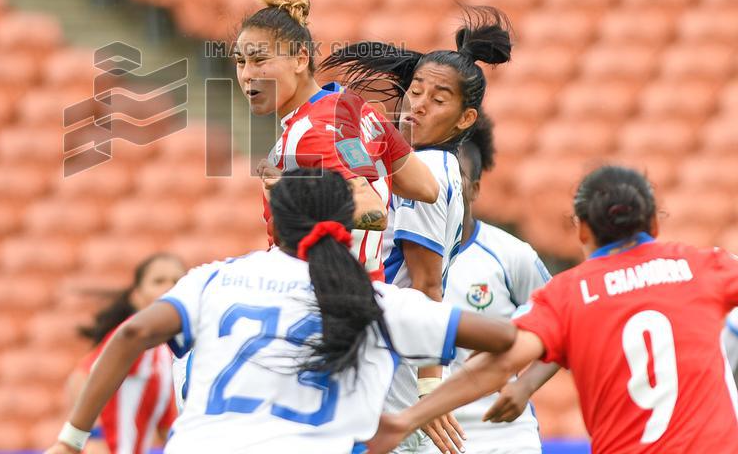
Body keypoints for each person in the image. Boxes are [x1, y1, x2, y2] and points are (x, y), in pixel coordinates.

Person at [44, 168, 516, 454]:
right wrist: (408, 418)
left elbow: (129, 336)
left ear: (274, 218)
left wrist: (71, 437)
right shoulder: (376, 302)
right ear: (348, 224)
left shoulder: (214, 278)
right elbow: (507, 345)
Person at [371, 165, 738, 454]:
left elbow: (499, 364)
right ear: (655, 224)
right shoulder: (705, 266)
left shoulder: (570, 293)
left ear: (582, 231)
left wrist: (408, 419)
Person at [320, 5, 513, 453]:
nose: (419, 104)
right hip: (389, 355)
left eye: (438, 99)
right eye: (416, 90)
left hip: (392, 363)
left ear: (465, 119)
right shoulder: (415, 166)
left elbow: (425, 283)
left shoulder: (429, 168)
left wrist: (431, 390)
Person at [236, 0, 440, 281]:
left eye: (260, 60)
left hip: (322, 301)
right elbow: (425, 188)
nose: (246, 75)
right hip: (365, 293)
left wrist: (293, 191)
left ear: (300, 59)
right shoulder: (356, 108)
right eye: (240, 62)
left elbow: (372, 211)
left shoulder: (313, 130)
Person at [440, 115, 556, 454]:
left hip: (500, 436)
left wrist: (525, 387)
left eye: (457, 175)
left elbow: (564, 325)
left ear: (474, 188)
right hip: (425, 435)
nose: (445, 183)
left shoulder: (510, 255)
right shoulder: (398, 256)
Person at [65, 253, 186, 454]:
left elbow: (166, 425)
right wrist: (93, 437)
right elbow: (80, 377)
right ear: (137, 295)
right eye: (158, 281)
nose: (169, 287)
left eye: (176, 281)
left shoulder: (165, 354)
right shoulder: (132, 339)